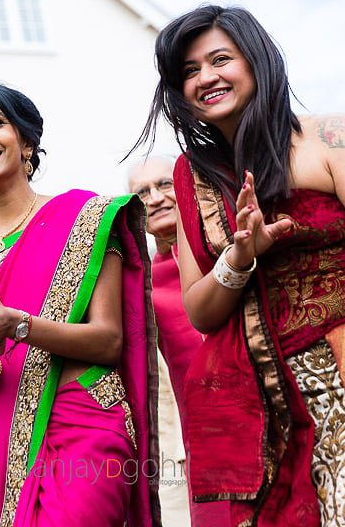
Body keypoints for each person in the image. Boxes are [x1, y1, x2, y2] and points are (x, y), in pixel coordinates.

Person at [135, 4, 345, 526]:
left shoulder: (333, 136)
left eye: (220, 59)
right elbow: (200, 312)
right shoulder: (192, 176)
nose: (206, 78)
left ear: (256, 60)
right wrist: (239, 259)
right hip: (264, 409)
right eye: (188, 71)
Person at [0, 81, 160, 526]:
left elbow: (108, 342)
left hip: (85, 418)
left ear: (27, 139)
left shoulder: (86, 220)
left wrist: (16, 325)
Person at [127, 156, 229, 527]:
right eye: (142, 193)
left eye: (165, 184)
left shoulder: (227, 254)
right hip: (191, 442)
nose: (154, 198)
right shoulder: (137, 286)